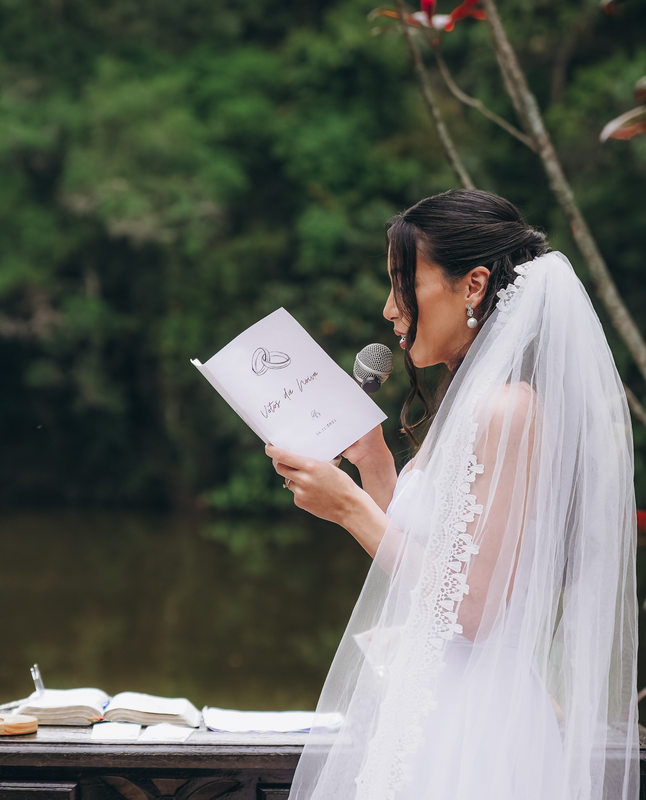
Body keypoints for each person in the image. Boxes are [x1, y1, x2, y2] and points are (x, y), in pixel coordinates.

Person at [268, 190, 638, 800]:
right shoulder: (468, 405)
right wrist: (375, 463)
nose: (390, 309)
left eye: (404, 284)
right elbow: (426, 554)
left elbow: (473, 609)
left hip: (473, 731)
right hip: (424, 707)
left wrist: (351, 509)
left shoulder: (509, 410)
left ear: (474, 285)